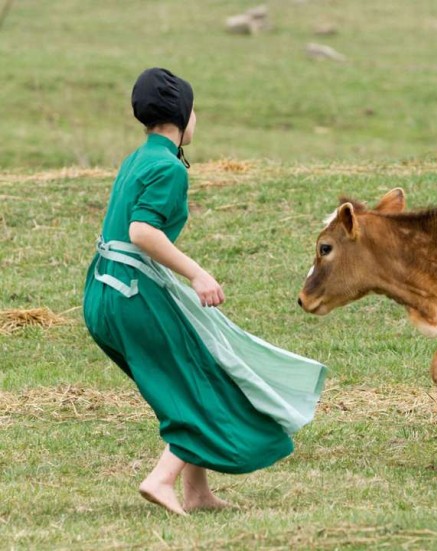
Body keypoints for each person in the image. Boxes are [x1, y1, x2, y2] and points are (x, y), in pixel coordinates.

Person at [82, 68, 326, 516]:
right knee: (196, 385)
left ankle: (197, 492)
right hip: (133, 296)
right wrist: (197, 274)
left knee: (189, 378)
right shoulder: (168, 167)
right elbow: (141, 232)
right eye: (195, 110)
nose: (197, 118)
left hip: (102, 294)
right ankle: (161, 479)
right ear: (181, 115)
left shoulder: (137, 159)